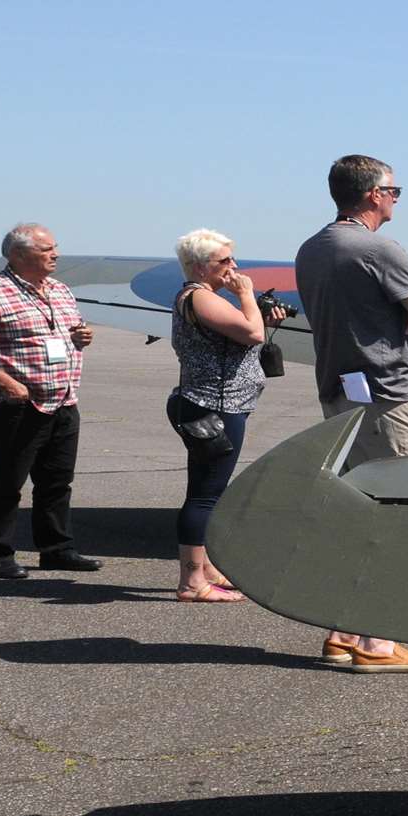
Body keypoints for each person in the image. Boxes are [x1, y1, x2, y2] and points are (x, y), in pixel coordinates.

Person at [294, 154, 408, 673]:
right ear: (372, 195)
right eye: (394, 190)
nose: (396, 198)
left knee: (357, 517)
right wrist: (407, 320)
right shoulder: (380, 248)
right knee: (403, 521)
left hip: (339, 397)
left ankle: (342, 633)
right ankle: (380, 644)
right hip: (391, 399)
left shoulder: (312, 248)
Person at [0, 224, 101, 579]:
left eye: (54, 247)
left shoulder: (60, 290)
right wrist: (6, 384)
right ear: (17, 254)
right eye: (46, 249)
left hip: (62, 399)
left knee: (57, 482)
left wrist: (82, 336)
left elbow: (66, 335)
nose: (55, 255)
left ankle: (57, 550)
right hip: (16, 405)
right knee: (7, 482)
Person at [167, 229, 287, 603]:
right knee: (205, 495)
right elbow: (251, 333)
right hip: (213, 408)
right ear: (201, 267)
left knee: (210, 492)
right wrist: (247, 295)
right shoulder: (200, 297)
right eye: (225, 261)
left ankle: (207, 568)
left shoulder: (206, 298)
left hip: (218, 404)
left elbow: (243, 332)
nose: (234, 268)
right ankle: (191, 583)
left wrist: (261, 313)